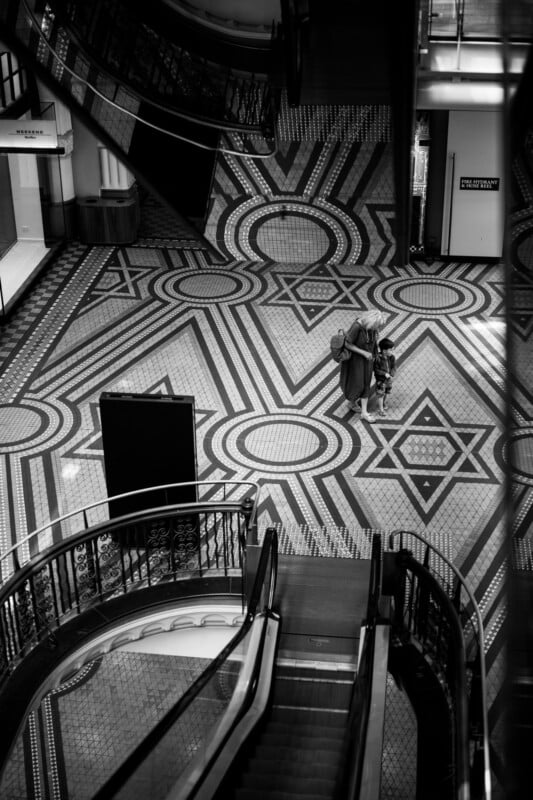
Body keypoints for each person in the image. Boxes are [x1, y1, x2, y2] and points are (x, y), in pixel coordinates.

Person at [339, 310, 387, 423]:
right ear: (371, 321)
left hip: (368, 360)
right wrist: (363, 353)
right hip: (355, 361)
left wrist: (375, 353)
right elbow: (347, 343)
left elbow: (372, 342)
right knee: (357, 383)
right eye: (377, 325)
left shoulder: (370, 328)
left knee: (366, 383)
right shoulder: (357, 327)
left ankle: (363, 411)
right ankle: (354, 404)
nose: (377, 328)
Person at [374, 337, 396, 417]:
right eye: (390, 350)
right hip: (381, 381)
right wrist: (384, 374)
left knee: (386, 392)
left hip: (389, 380)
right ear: (384, 351)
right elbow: (376, 370)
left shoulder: (392, 357)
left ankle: (383, 403)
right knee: (380, 394)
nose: (392, 351)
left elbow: (394, 367)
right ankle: (381, 410)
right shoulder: (378, 358)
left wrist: (392, 374)